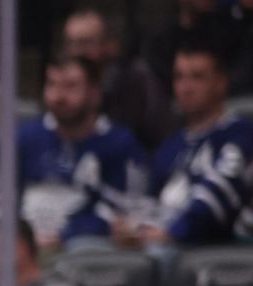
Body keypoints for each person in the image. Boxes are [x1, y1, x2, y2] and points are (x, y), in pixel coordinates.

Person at [129, 39, 253, 247]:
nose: (185, 87)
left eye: (197, 77)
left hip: (212, 248)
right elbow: (149, 199)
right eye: (179, 77)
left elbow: (217, 196)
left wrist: (172, 234)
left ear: (220, 83)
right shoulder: (171, 145)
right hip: (163, 240)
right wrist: (135, 227)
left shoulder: (239, 133)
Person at [14, 53, 146, 248]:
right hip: (26, 243)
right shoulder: (25, 137)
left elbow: (123, 211)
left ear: (94, 93)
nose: (59, 96)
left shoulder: (118, 142)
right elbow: (0, 201)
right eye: (52, 85)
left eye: (70, 86)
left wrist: (66, 235)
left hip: (84, 246)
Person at [61, 7, 171, 149]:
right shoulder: (60, 83)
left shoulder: (134, 81)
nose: (76, 52)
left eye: (85, 43)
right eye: (71, 43)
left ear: (110, 45)